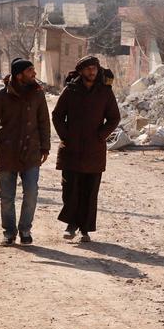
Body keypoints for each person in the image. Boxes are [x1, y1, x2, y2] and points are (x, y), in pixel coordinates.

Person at [0, 58, 50, 245]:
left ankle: (25, 229)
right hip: (7, 151)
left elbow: (44, 122)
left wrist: (45, 147)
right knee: (6, 196)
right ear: (19, 76)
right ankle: (9, 232)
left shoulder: (38, 95)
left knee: (31, 193)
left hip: (31, 152)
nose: (34, 74)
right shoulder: (1, 96)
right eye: (30, 71)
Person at [52, 55, 121, 243]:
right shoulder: (70, 90)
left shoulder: (105, 92)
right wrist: (66, 136)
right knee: (70, 189)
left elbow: (114, 118)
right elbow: (57, 115)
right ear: (81, 71)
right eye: (88, 69)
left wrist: (100, 135)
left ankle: (85, 229)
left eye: (94, 69)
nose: (92, 72)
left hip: (94, 151)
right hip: (71, 150)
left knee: (90, 191)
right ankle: (71, 224)